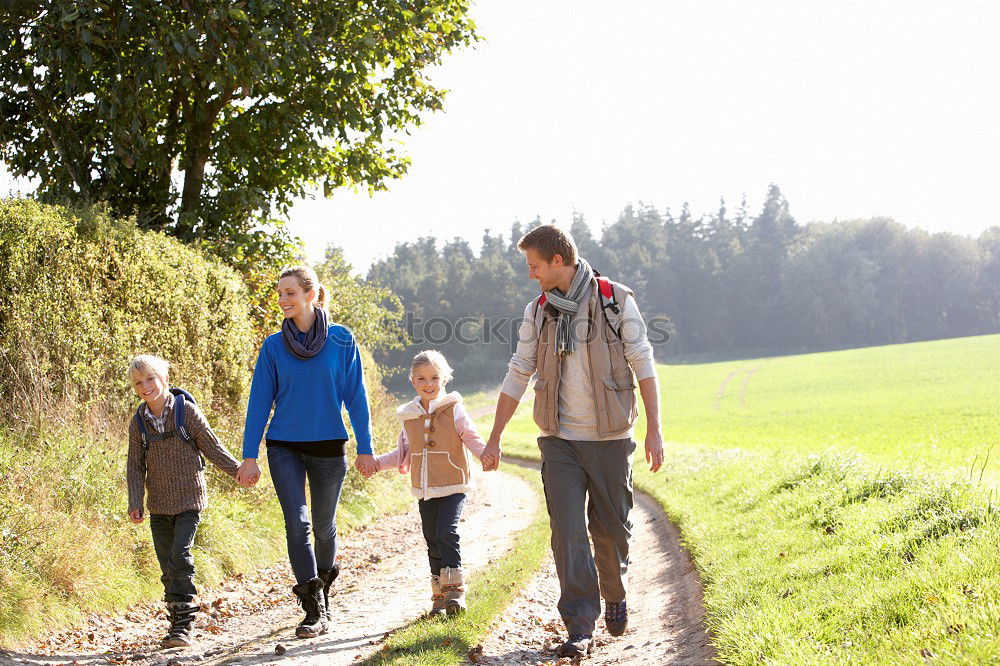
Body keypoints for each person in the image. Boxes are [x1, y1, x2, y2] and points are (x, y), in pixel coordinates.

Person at [481, 224, 666, 658]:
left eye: (535, 267)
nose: (532, 275)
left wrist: (654, 427)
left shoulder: (614, 299)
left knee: (611, 531)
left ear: (558, 262)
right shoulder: (538, 310)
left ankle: (615, 593)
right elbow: (519, 369)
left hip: (610, 437)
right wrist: (494, 436)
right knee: (567, 531)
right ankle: (580, 625)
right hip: (559, 438)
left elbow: (643, 361)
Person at [235, 266, 377, 639]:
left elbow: (356, 398)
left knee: (324, 527)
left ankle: (324, 590)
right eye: (280, 293)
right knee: (297, 526)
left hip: (330, 447)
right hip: (284, 446)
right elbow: (258, 402)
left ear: (310, 295)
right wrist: (249, 455)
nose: (283, 300)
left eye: (290, 293)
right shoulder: (272, 346)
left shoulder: (342, 340)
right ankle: (313, 607)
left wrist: (367, 448)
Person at [125, 354, 241, 648]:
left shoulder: (185, 412)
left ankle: (184, 625)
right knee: (167, 564)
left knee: (180, 557)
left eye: (150, 379)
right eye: (139, 383)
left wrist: (239, 471)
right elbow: (135, 466)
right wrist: (135, 500)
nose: (146, 386)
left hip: (189, 500)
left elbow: (212, 447)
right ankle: (175, 620)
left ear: (164, 378)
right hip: (159, 506)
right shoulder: (138, 423)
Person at [366, 350, 488, 616]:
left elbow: (470, 436)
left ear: (445, 379)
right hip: (424, 489)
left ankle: (455, 591)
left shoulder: (454, 409)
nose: (429, 384)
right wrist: (376, 463)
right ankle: (439, 596)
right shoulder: (409, 416)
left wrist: (484, 454)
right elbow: (402, 453)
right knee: (432, 539)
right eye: (422, 378)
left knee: (447, 532)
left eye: (434, 377)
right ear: (413, 381)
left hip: (454, 483)